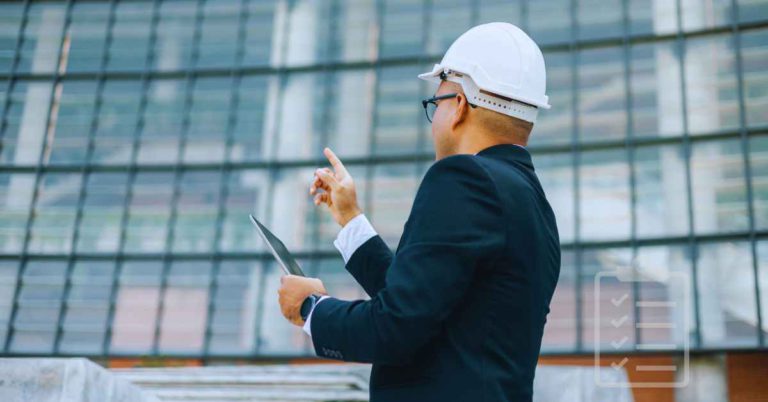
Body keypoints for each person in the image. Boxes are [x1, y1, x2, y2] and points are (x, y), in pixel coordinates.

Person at [277, 22, 560, 402]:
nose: (435, 120)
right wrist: (350, 219)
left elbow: (394, 328)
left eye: (436, 103)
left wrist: (311, 308)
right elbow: (423, 305)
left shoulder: (462, 177)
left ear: (459, 106)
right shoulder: (534, 204)